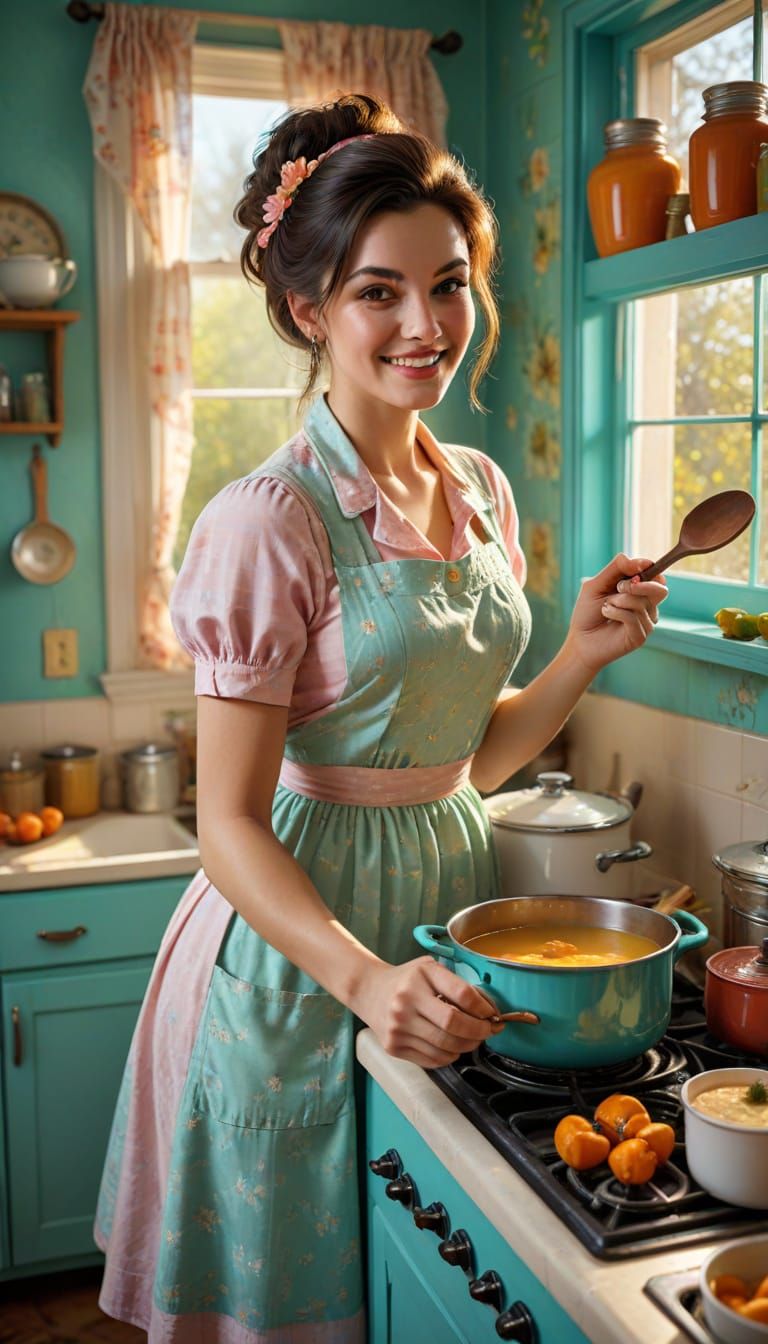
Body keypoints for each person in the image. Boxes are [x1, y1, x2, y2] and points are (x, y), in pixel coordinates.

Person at [93, 93, 667, 1342]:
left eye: (449, 285)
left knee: (420, 1271)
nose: (426, 325)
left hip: (444, 923)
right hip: (304, 955)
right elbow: (226, 825)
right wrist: (362, 980)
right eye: (378, 292)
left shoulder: (479, 487)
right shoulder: (267, 520)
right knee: (297, 1303)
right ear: (309, 311)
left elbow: (460, 762)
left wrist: (577, 653)